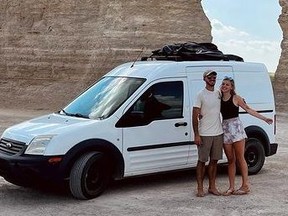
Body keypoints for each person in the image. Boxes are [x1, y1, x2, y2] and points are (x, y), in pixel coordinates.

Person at [220, 76, 273, 196]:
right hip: (226, 129)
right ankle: (231, 187)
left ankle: (245, 186)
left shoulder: (236, 98)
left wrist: (264, 118)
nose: (224, 86)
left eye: (227, 84)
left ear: (231, 87)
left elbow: (249, 110)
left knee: (240, 158)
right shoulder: (219, 98)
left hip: (237, 129)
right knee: (230, 160)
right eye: (223, 84)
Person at [192, 70, 224, 197]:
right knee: (202, 161)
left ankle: (212, 187)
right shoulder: (200, 95)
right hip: (204, 133)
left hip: (218, 132)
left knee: (214, 161)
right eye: (210, 77)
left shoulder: (218, 93)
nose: (212, 79)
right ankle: (200, 187)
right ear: (204, 79)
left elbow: (229, 96)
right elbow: (195, 115)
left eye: (214, 77)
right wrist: (197, 134)